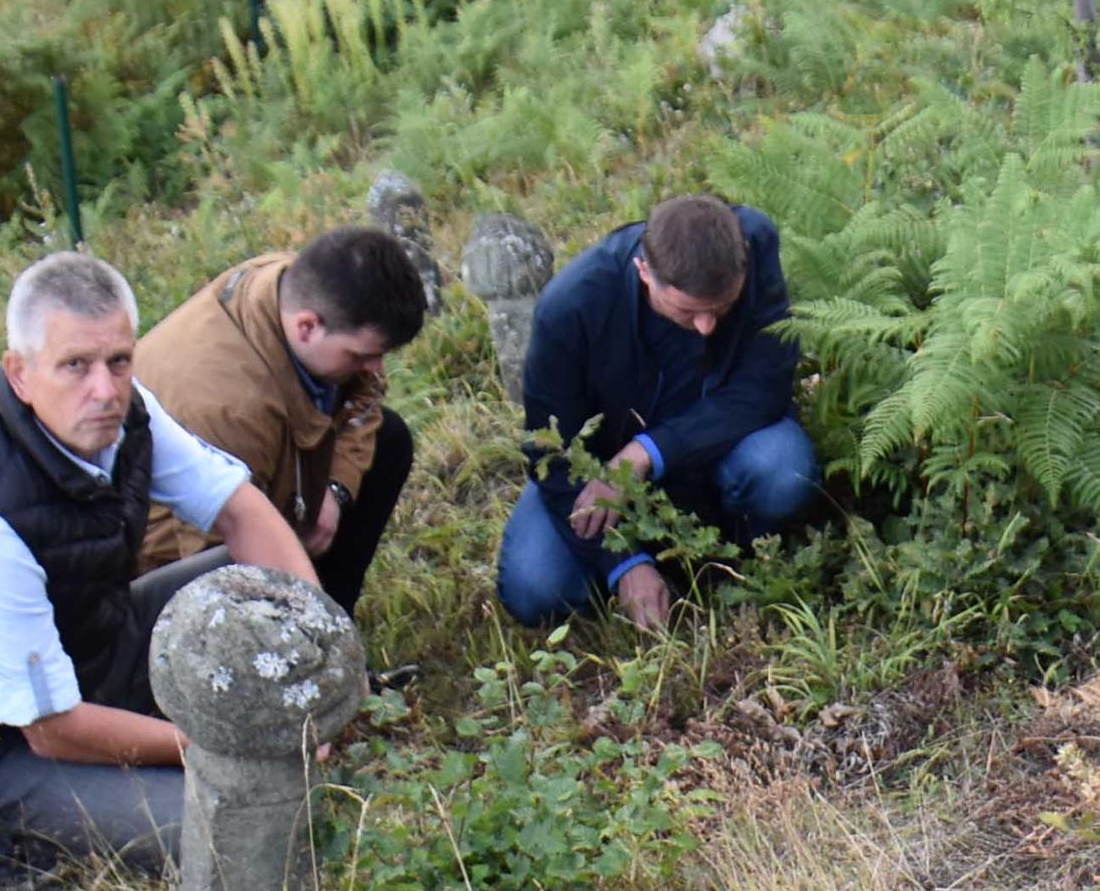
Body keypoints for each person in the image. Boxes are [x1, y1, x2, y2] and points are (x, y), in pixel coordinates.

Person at [0, 252, 326, 877]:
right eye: (74, 365)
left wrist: (316, 662)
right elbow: (51, 728)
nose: (104, 391)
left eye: (118, 361)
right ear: (20, 375)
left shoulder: (126, 414)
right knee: (249, 832)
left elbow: (243, 512)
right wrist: (231, 748)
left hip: (89, 647)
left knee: (250, 583)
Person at [501, 193, 815, 635]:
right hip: (600, 474)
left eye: (722, 308)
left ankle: (730, 558)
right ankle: (642, 561)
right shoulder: (571, 308)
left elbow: (764, 386)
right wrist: (623, 562)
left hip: (714, 450)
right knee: (535, 589)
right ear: (644, 272)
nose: (707, 325)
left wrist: (644, 452)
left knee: (782, 469)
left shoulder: (756, 241)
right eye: (688, 310)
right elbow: (551, 453)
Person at [135, 225, 428, 614]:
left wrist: (337, 490)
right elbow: (214, 566)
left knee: (388, 441)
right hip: (163, 558)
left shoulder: (297, 287)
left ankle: (335, 622)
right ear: (307, 327)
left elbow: (364, 401)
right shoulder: (229, 408)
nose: (375, 368)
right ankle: (308, 644)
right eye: (361, 355)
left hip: (267, 471)